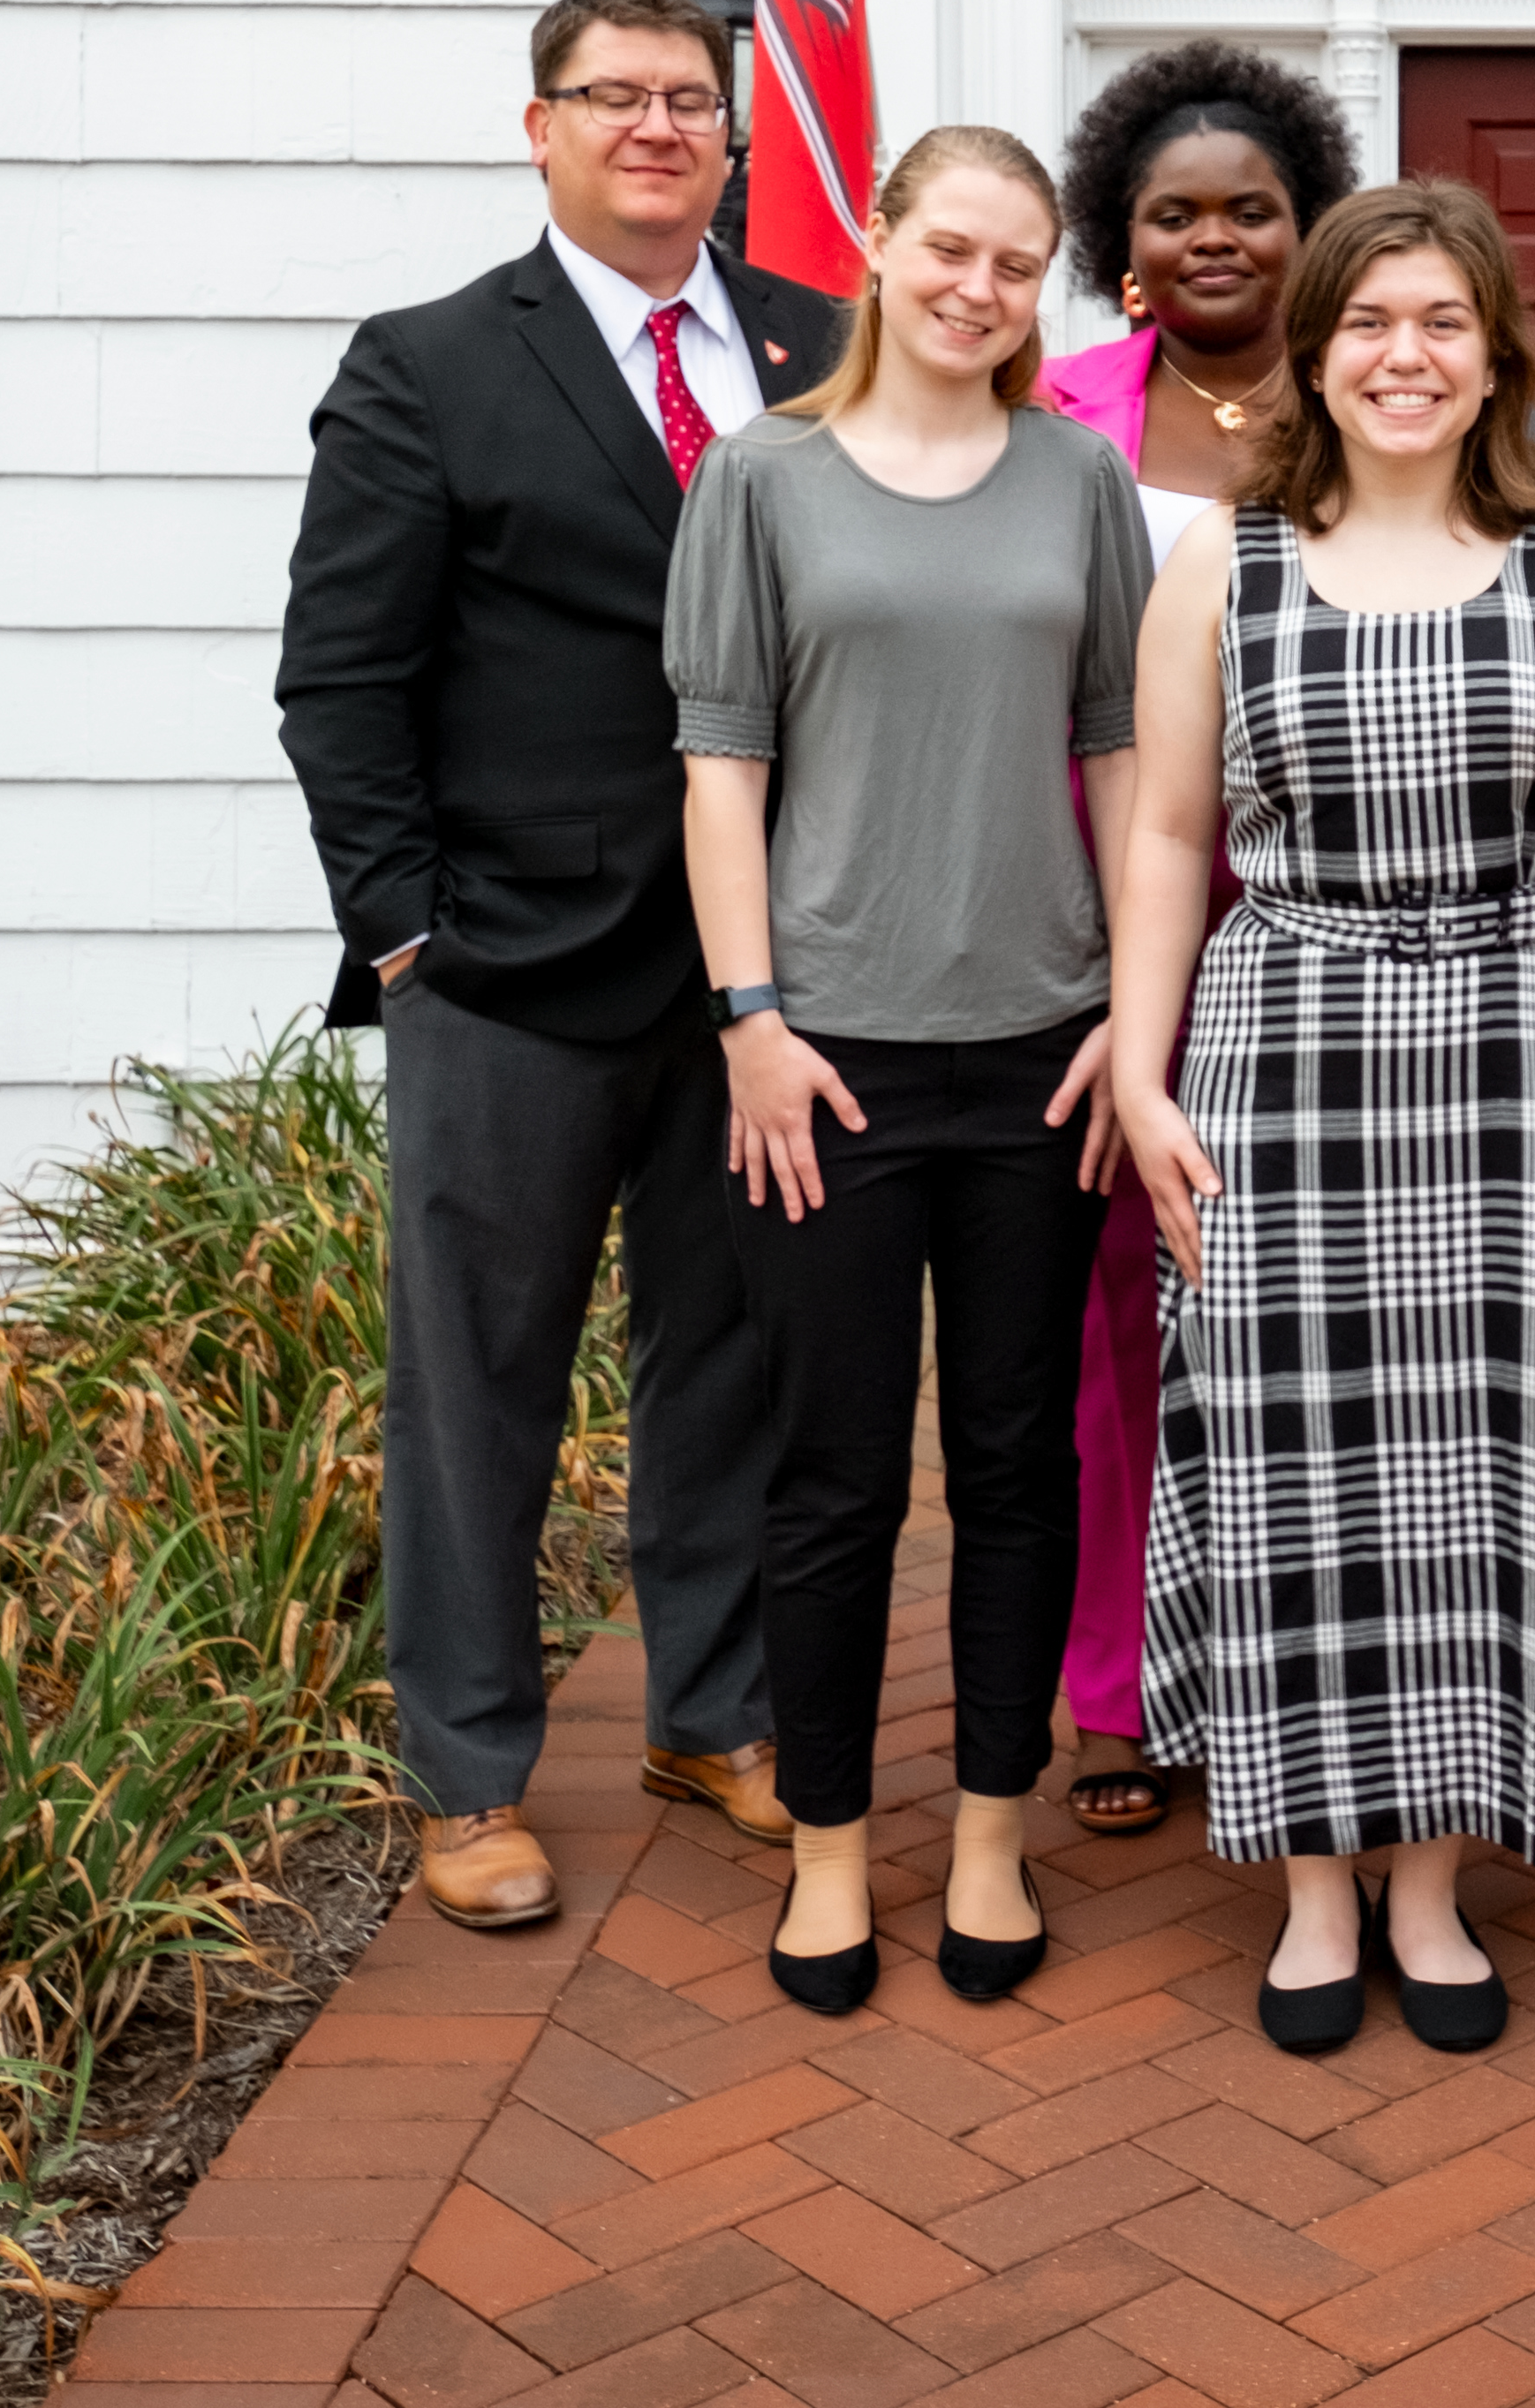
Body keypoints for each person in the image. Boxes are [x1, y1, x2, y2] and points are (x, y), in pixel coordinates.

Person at [275, 0, 851, 1933]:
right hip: (510, 975)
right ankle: (466, 1772)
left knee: (734, 1368)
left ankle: (714, 1713)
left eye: (690, 99)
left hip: (765, 977)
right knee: (479, 1386)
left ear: (731, 135)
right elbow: (341, 679)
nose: (656, 128)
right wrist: (408, 934)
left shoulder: (816, 350)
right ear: (541, 128)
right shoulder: (430, 362)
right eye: (614, 97)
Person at [1111, 183, 1535, 2054]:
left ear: (1491, 353)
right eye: (1368, 323)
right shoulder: (1224, 557)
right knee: (1291, 1462)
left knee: (1487, 1462)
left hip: (1528, 1043)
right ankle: (1304, 1884)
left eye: (1442, 322)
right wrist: (1136, 1069)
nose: (1404, 356)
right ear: (1314, 348)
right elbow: (1170, 835)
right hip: (1283, 1045)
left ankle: (1432, 1882)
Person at [670, 124, 1153, 2014]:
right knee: (834, 1475)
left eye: (1018, 265)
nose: (979, 289)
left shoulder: (1074, 481)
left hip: (1039, 1053)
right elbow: (721, 761)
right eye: (949, 249)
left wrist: (1131, 1001)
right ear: (874, 245)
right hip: (831, 1062)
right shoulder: (766, 477)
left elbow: (1118, 750)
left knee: (1022, 1464)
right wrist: (752, 1021)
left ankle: (986, 1837)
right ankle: (825, 1849)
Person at [1035, 43, 1365, 1840]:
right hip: (1108, 920)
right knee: (1116, 1318)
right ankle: (1113, 1687)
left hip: (1330, 922)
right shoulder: (1053, 402)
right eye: (1178, 213)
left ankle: (1284, 1671)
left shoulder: (1377, 403)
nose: (1219, 236)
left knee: (1299, 1322)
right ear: (1123, 239)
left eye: (1253, 206)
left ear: (1306, 224)